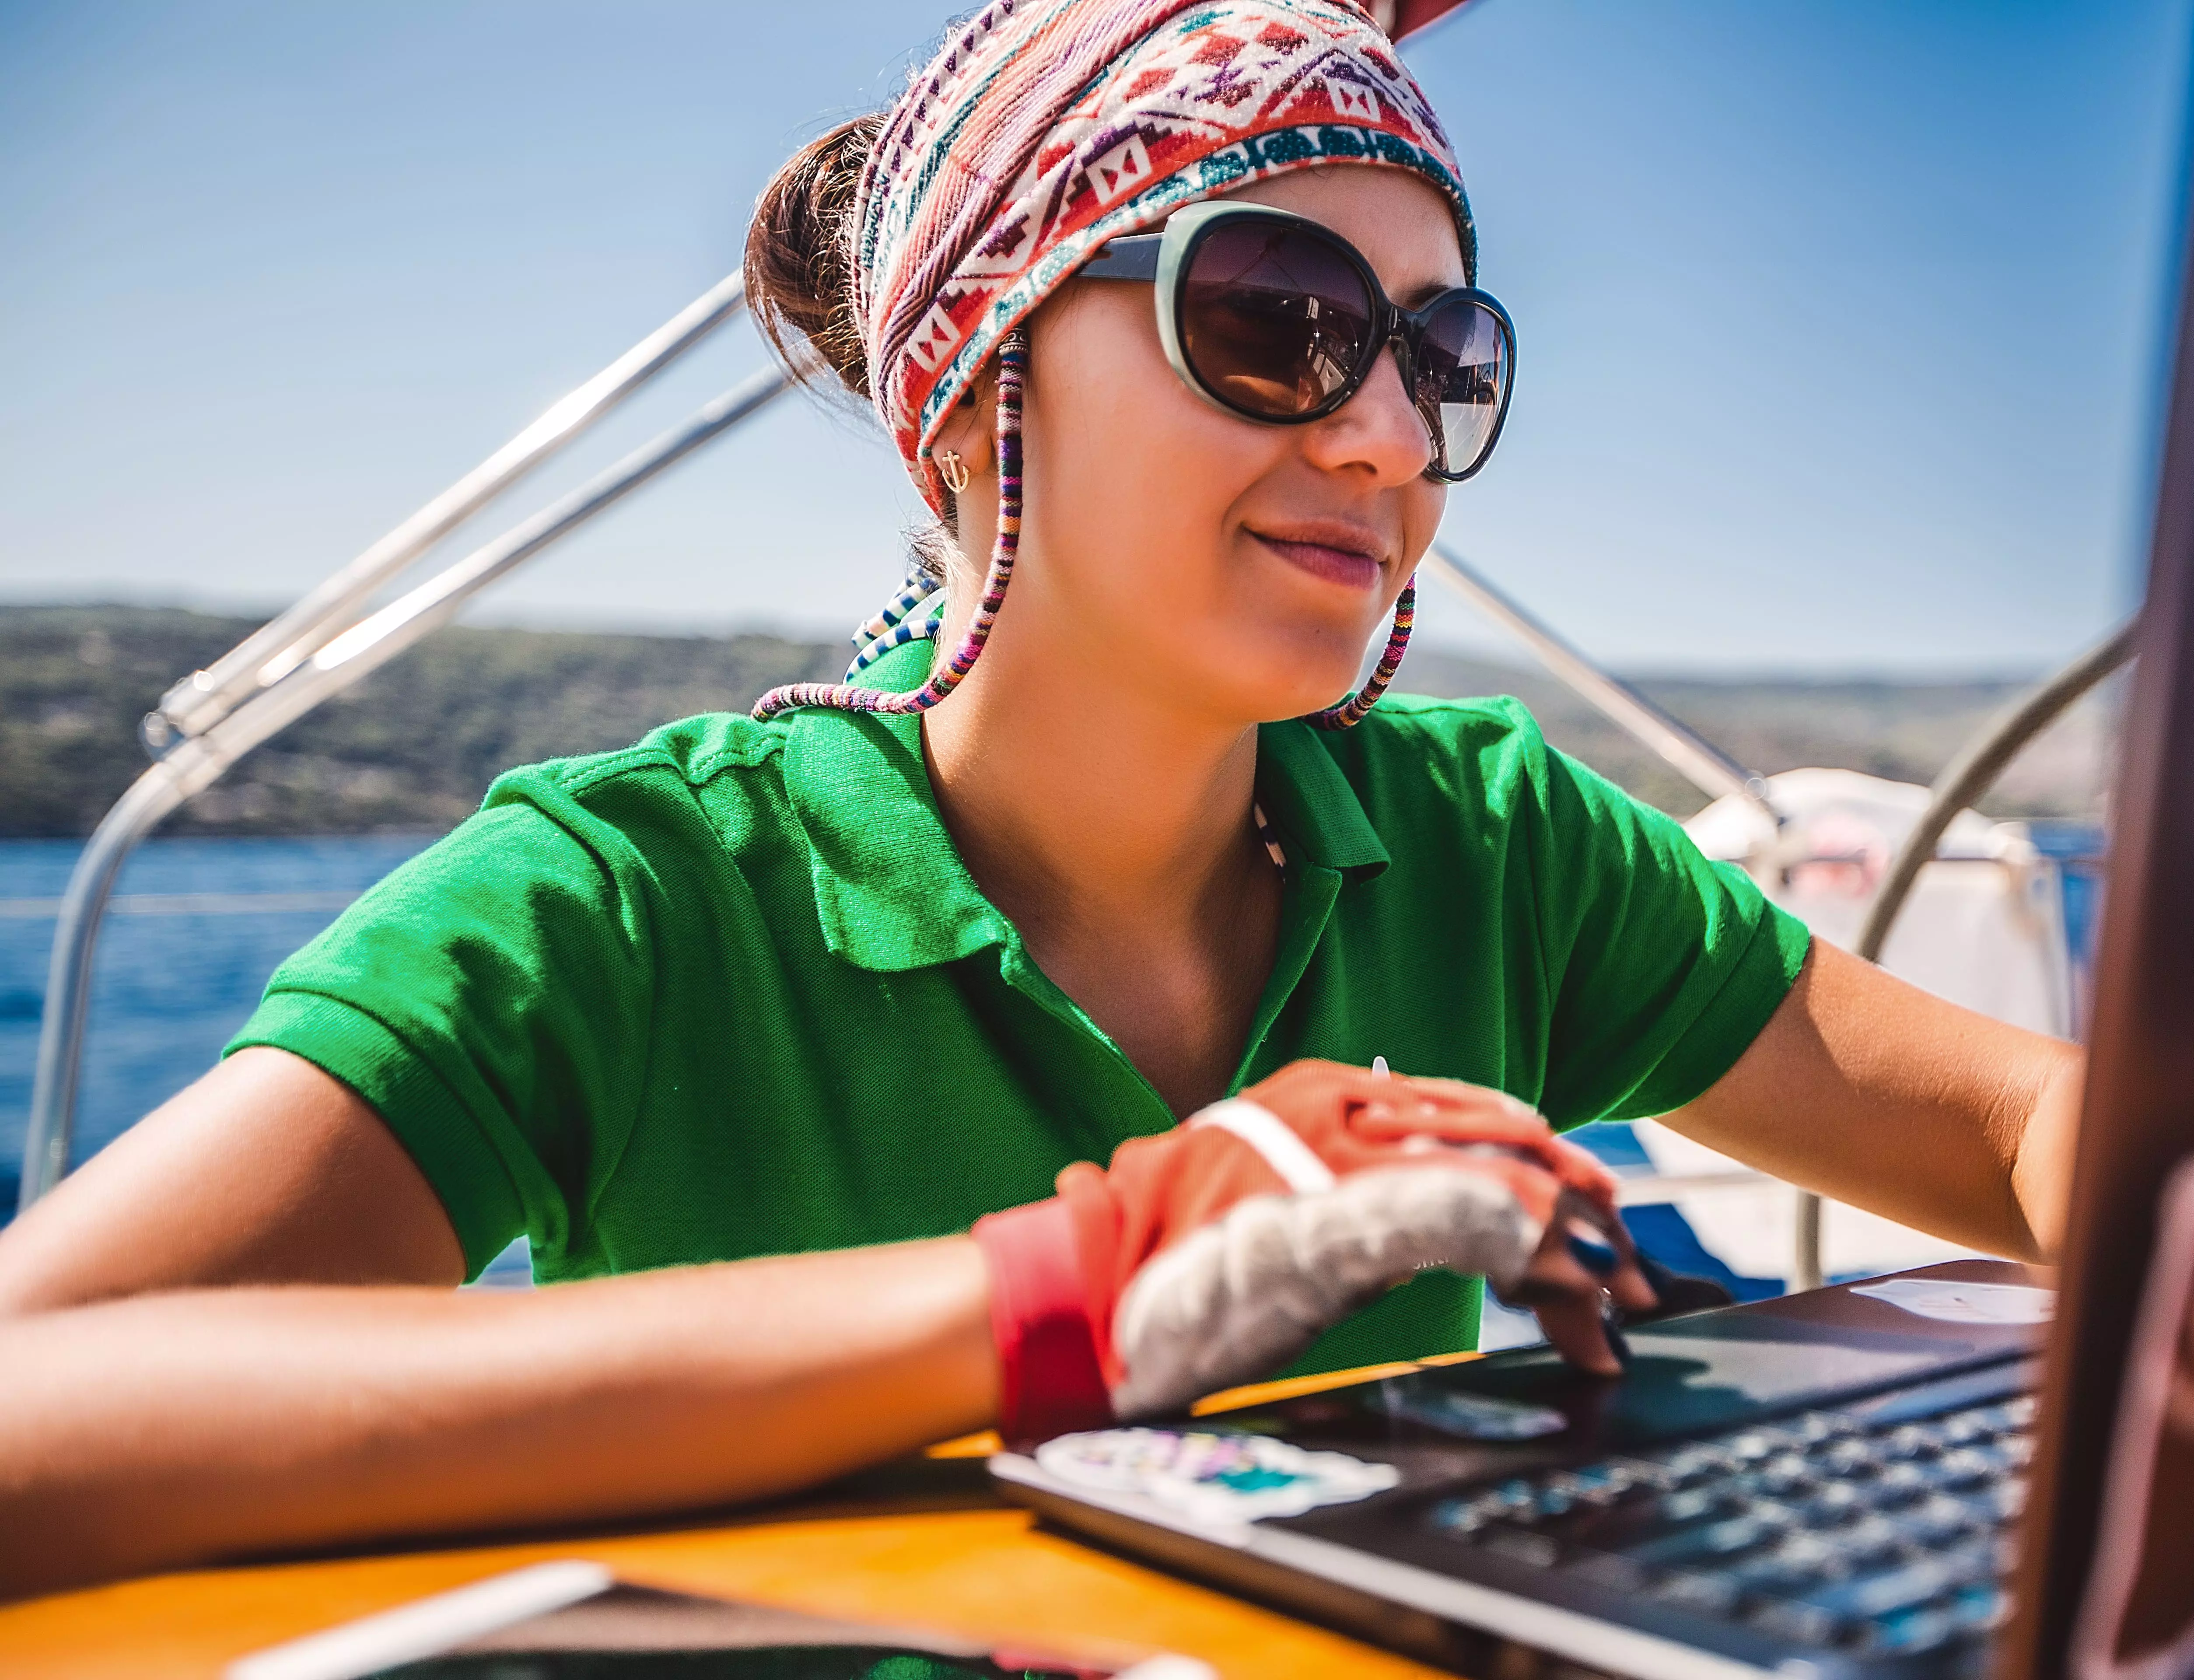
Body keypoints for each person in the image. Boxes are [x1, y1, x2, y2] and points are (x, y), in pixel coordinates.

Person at [0, 0, 2082, 1601]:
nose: (1383, 438)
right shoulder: (630, 898)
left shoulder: (1497, 844)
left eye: (1440, 357)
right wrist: (1069, 1298)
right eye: (1279, 320)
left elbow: (2028, 1125)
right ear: (976, 395)